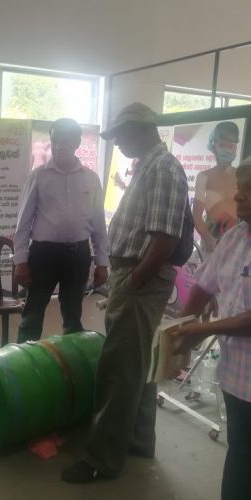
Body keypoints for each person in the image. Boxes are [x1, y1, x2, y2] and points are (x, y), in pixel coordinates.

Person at [62, 103, 189, 483]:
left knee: (118, 368)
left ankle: (102, 458)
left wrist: (133, 281)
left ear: (139, 130)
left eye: (119, 136)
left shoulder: (163, 169)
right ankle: (138, 439)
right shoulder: (148, 166)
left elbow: (164, 239)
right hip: (135, 276)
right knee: (136, 365)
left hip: (141, 280)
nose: (116, 143)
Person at [173, 157, 251, 500]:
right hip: (237, 376)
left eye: (249, 190)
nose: (239, 196)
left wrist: (205, 330)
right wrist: (181, 329)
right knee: (241, 454)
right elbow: (204, 286)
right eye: (240, 188)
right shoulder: (236, 237)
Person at [13, 118, 109, 343]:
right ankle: (23, 359)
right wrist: (20, 261)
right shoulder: (38, 176)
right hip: (43, 255)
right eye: (55, 140)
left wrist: (102, 263)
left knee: (73, 315)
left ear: (77, 143)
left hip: (78, 255)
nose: (58, 146)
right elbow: (23, 222)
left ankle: (71, 359)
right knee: (32, 314)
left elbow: (98, 223)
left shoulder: (91, 179)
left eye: (65, 141)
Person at [193, 121, 239, 255]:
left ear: (235, 148)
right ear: (214, 146)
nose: (226, 149)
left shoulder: (242, 176)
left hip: (237, 238)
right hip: (211, 238)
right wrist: (208, 238)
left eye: (230, 145)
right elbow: (196, 215)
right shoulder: (204, 177)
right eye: (222, 145)